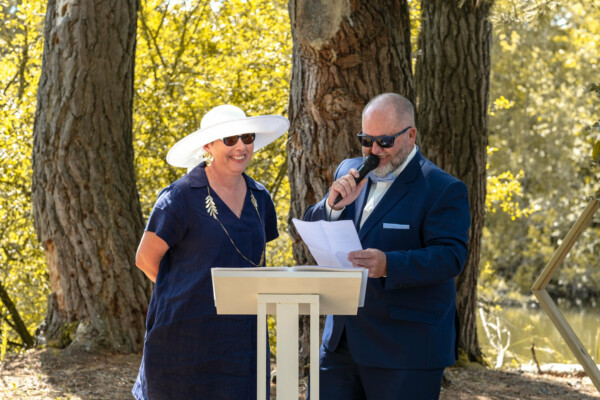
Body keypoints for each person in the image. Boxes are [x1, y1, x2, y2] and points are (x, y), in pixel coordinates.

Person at [303, 93, 470, 400]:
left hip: (405, 349)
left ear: (410, 135)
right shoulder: (348, 171)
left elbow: (451, 256)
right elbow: (312, 224)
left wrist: (389, 265)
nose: (374, 151)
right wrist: (332, 207)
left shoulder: (442, 188)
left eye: (384, 141)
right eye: (366, 140)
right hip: (340, 344)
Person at [132, 104, 289, 400]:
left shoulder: (261, 197)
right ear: (208, 146)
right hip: (184, 339)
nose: (241, 146)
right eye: (230, 140)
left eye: (247, 137)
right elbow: (145, 259)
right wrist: (191, 296)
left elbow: (251, 259)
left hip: (243, 339)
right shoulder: (179, 196)